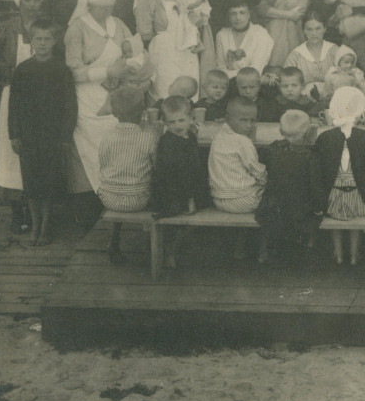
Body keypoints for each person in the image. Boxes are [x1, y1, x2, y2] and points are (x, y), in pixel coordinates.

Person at [0, 0, 56, 234]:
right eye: (28, 0)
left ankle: (39, 216)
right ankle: (18, 213)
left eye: (36, 0)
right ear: (19, 2)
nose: (33, 5)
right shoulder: (7, 29)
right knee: (13, 152)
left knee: (37, 153)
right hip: (14, 96)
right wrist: (6, 72)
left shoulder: (48, 28)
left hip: (42, 98)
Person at [64, 0, 134, 230]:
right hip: (87, 99)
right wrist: (107, 71)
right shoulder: (77, 29)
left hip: (114, 98)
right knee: (88, 152)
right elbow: (73, 71)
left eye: (110, 6)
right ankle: (88, 213)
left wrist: (129, 53)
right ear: (89, 5)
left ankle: (117, 204)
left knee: (115, 149)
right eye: (102, 7)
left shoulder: (119, 25)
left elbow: (134, 52)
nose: (107, 11)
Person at [8, 18, 77, 246]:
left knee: (48, 182)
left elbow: (70, 105)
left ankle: (45, 228)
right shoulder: (23, 70)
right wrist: (14, 134)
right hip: (29, 135)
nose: (43, 43)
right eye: (39, 38)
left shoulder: (61, 70)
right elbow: (14, 105)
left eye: (48, 39)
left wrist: (65, 136)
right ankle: (34, 227)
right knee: (31, 181)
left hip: (52, 136)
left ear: (54, 41)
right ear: (31, 40)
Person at [313, 86, 365, 266]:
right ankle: (354, 254)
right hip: (362, 201)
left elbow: (318, 175)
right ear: (360, 112)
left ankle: (338, 253)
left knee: (337, 209)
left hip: (332, 201)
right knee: (356, 201)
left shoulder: (324, 138)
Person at [96, 86, 158, 263]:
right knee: (155, 183)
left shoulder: (107, 137)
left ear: (115, 113)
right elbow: (156, 168)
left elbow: (103, 165)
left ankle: (114, 239)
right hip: (139, 199)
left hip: (108, 198)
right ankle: (151, 242)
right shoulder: (148, 138)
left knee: (120, 180)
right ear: (142, 111)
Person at [129, 0, 200, 100]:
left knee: (188, 91)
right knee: (167, 91)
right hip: (164, 51)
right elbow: (145, 33)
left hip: (185, 50)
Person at [150, 95, 211, 268]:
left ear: (191, 117)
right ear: (165, 123)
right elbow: (177, 176)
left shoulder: (189, 136)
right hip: (171, 192)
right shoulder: (169, 143)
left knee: (208, 200)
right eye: (172, 122)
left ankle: (173, 244)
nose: (177, 126)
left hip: (186, 187)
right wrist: (190, 199)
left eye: (181, 120)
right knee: (193, 212)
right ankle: (170, 248)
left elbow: (193, 169)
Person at [255, 110, 322, 264]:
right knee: (313, 216)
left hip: (274, 205)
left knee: (269, 217)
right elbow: (316, 185)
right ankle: (309, 245)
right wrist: (319, 206)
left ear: (280, 130)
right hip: (300, 207)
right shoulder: (311, 155)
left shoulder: (272, 149)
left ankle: (263, 250)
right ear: (307, 131)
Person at [208, 96, 268, 213]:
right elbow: (257, 171)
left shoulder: (219, 135)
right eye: (243, 120)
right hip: (244, 201)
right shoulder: (243, 141)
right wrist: (265, 183)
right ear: (227, 118)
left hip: (218, 199)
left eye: (253, 120)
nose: (249, 125)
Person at [175, 0, 216, 82]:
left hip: (197, 10)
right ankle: (193, 43)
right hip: (184, 12)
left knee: (193, 26)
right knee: (187, 26)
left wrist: (195, 5)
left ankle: (196, 44)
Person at [215, 0, 274, 79]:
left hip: (252, 84)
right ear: (228, 16)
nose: (238, 18)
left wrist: (230, 73)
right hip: (227, 85)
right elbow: (221, 70)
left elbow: (255, 71)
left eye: (242, 13)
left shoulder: (260, 34)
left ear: (249, 14)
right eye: (233, 13)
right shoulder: (222, 35)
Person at [284, 11, 339, 99]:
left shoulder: (334, 50)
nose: (314, 33)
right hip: (305, 103)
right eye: (309, 29)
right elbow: (287, 84)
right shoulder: (295, 55)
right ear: (304, 31)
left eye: (318, 28)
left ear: (325, 29)